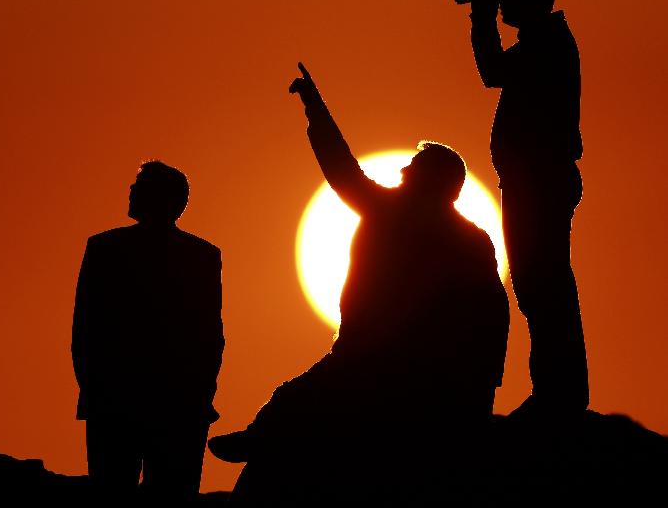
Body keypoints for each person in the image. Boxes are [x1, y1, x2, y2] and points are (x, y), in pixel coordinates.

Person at [209, 64, 509, 501]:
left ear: (431, 181)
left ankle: (263, 439)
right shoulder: (469, 237)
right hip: (405, 360)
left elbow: (342, 170)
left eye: (413, 168)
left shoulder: (399, 214)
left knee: (295, 399)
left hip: (382, 358)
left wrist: (315, 108)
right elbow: (493, 313)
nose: (403, 172)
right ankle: (262, 438)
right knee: (296, 396)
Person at [466, 0, 588, 418]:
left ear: (533, 0)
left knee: (544, 283)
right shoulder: (544, 42)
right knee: (538, 284)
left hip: (540, 182)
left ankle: (560, 395)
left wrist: (480, 18)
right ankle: (556, 391)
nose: (504, 3)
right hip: (531, 181)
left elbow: (492, 72)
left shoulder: (546, 44)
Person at [71, 160, 224, 503]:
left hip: (141, 405)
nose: (130, 191)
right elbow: (211, 338)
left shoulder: (105, 249)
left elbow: (85, 329)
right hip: (161, 406)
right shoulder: (201, 256)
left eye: (139, 187)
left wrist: (95, 392)